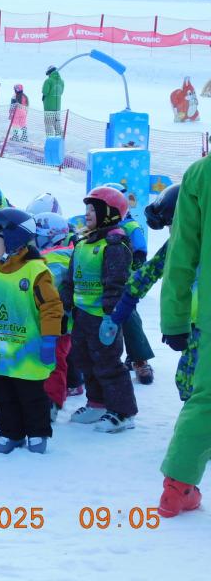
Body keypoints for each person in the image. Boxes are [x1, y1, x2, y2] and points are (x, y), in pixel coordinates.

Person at [0, 208, 63, 454]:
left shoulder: (35, 272)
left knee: (32, 396)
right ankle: (10, 433)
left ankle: (37, 433)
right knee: (2, 396)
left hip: (28, 353)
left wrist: (49, 339)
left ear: (13, 240)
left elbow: (51, 307)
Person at [61, 186, 138, 433]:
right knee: (84, 359)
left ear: (109, 213)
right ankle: (97, 402)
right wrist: (65, 307)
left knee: (108, 363)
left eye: (93, 209)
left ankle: (123, 412)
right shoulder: (82, 243)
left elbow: (116, 283)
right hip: (82, 315)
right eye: (87, 209)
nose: (87, 213)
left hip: (103, 317)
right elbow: (70, 280)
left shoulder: (114, 244)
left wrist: (111, 316)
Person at [157, 156, 209, 517]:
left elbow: (181, 253)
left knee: (206, 402)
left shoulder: (202, 174)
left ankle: (177, 489)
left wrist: (175, 318)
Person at [107, 186, 192, 399]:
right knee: (187, 382)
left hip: (201, 327)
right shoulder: (178, 242)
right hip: (192, 327)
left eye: (170, 224)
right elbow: (150, 271)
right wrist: (123, 307)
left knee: (192, 384)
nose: (170, 230)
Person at [102, 182, 154, 385]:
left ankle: (140, 358)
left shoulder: (129, 226)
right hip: (100, 279)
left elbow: (140, 252)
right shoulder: (100, 227)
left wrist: (133, 275)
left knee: (128, 316)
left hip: (124, 280)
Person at [32, 211, 73, 422]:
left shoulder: (58, 257)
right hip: (47, 319)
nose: (33, 241)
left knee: (54, 361)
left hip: (58, 321)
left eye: (37, 236)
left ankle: (51, 402)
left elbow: (51, 287)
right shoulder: (47, 255)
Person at [42, 65, 64, 136]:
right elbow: (61, 92)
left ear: (50, 72)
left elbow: (45, 92)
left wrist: (43, 96)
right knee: (57, 124)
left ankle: (50, 139)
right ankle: (59, 139)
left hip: (49, 107)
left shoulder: (48, 81)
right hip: (57, 108)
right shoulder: (61, 81)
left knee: (48, 125)